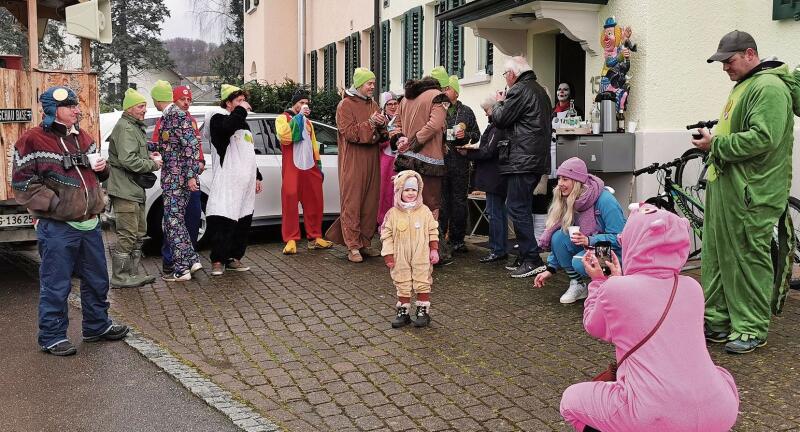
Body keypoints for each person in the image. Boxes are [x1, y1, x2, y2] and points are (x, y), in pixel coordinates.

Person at [560, 204, 739, 432]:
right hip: (720, 410)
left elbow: (594, 325)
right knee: (720, 374)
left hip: (652, 414)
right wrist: (617, 281)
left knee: (571, 400)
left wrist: (598, 282)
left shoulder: (616, 289)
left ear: (635, 242)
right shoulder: (692, 287)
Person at [692, 30, 799, 354]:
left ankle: (751, 328)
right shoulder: (747, 85)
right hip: (730, 188)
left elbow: (763, 138)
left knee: (747, 260)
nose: (725, 67)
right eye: (722, 62)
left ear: (750, 54)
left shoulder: (768, 88)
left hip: (751, 193)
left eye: (729, 60)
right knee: (718, 258)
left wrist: (716, 144)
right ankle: (719, 321)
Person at [12, 86, 129, 356]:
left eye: (77, 106)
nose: (77, 110)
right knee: (57, 283)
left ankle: (96, 326)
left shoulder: (84, 137)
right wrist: (54, 205)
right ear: (53, 110)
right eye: (71, 106)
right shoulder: (33, 140)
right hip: (58, 228)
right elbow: (22, 183)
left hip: (90, 225)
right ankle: (52, 337)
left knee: (98, 280)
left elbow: (100, 172)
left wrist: (103, 169)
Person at [533, 157, 626, 304]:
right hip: (591, 246)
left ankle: (608, 286)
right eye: (559, 179)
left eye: (565, 179)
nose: (560, 184)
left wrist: (590, 240)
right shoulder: (570, 198)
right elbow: (557, 232)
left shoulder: (605, 200)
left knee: (579, 261)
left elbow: (621, 238)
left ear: (577, 181)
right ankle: (578, 284)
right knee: (558, 236)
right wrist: (550, 268)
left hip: (615, 252)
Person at [492, 56, 552, 278]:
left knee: (517, 207)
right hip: (535, 159)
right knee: (522, 206)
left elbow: (501, 118)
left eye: (505, 75)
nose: (505, 79)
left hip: (522, 159)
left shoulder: (518, 90)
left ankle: (532, 258)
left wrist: (500, 101)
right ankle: (526, 255)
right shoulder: (540, 91)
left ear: (512, 74)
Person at [326, 68, 384, 263]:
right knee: (352, 202)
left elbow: (379, 133)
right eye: (369, 83)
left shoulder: (374, 104)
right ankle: (352, 246)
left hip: (372, 159)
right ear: (359, 84)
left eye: (374, 83)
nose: (372, 87)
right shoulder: (345, 105)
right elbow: (350, 133)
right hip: (353, 161)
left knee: (370, 202)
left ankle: (365, 243)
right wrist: (370, 123)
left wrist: (383, 124)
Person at [392, 67, 449, 263]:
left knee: (408, 205)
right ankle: (431, 253)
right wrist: (415, 142)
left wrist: (401, 140)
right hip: (429, 160)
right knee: (431, 207)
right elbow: (435, 125)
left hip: (406, 160)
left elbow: (396, 124)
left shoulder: (405, 98)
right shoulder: (438, 97)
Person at [106, 88, 161, 288]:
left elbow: (133, 155)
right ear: (129, 108)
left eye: (145, 106)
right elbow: (128, 159)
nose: (144, 110)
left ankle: (133, 274)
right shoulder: (127, 128)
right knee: (127, 234)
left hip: (133, 189)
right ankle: (120, 277)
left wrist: (149, 157)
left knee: (138, 233)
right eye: (140, 106)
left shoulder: (133, 127)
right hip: (125, 190)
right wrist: (152, 165)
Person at [205, 84, 263, 276]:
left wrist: (257, 175)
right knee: (224, 220)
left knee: (243, 221)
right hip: (227, 182)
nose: (243, 104)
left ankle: (234, 257)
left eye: (243, 101)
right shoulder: (217, 119)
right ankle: (218, 260)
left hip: (245, 182)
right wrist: (240, 110)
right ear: (228, 103)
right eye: (238, 101)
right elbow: (228, 128)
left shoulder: (244, 124)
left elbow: (249, 154)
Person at [150, 83, 206, 275]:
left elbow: (191, 146)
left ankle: (181, 269)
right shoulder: (170, 116)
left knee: (173, 223)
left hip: (178, 179)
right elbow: (167, 146)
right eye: (183, 99)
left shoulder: (177, 115)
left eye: (189, 99)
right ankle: (191, 259)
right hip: (174, 178)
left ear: (157, 100)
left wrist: (191, 176)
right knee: (175, 222)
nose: (186, 103)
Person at [275, 89, 333, 254]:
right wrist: (299, 116)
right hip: (292, 169)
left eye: (306, 103)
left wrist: (318, 166)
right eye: (301, 103)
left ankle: (315, 237)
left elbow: (314, 146)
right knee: (290, 202)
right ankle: (291, 239)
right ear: (294, 104)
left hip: (310, 168)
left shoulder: (308, 123)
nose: (304, 106)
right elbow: (286, 138)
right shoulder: (282, 118)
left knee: (314, 202)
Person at [380, 170, 439, 328]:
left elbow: (433, 230)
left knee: (422, 279)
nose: (411, 193)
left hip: (421, 254)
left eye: (414, 189)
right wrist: (388, 254)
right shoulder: (392, 214)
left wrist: (433, 249)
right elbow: (386, 236)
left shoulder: (425, 211)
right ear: (399, 191)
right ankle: (403, 312)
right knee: (402, 280)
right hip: (400, 255)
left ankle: (422, 310)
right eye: (407, 190)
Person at [462, 94, 508, 263]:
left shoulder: (497, 127)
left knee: (495, 213)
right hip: (496, 176)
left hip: (494, 177)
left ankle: (497, 249)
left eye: (487, 110)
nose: (486, 114)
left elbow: (488, 151)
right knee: (498, 212)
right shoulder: (498, 126)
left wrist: (468, 153)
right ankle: (499, 248)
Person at [440, 75, 480, 254]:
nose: (443, 91)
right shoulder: (438, 109)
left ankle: (458, 239)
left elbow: (477, 135)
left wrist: (465, 136)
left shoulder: (466, 111)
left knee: (459, 202)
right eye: (443, 88)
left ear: (456, 92)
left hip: (460, 162)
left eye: (447, 88)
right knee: (442, 202)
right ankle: (439, 238)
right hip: (440, 162)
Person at [377, 91, 400, 227]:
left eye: (395, 103)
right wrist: (387, 137)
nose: (392, 106)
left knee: (397, 191)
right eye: (389, 104)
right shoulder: (381, 120)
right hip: (386, 159)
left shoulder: (402, 118)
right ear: (384, 107)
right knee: (384, 191)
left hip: (401, 159)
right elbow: (375, 142)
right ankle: (382, 222)